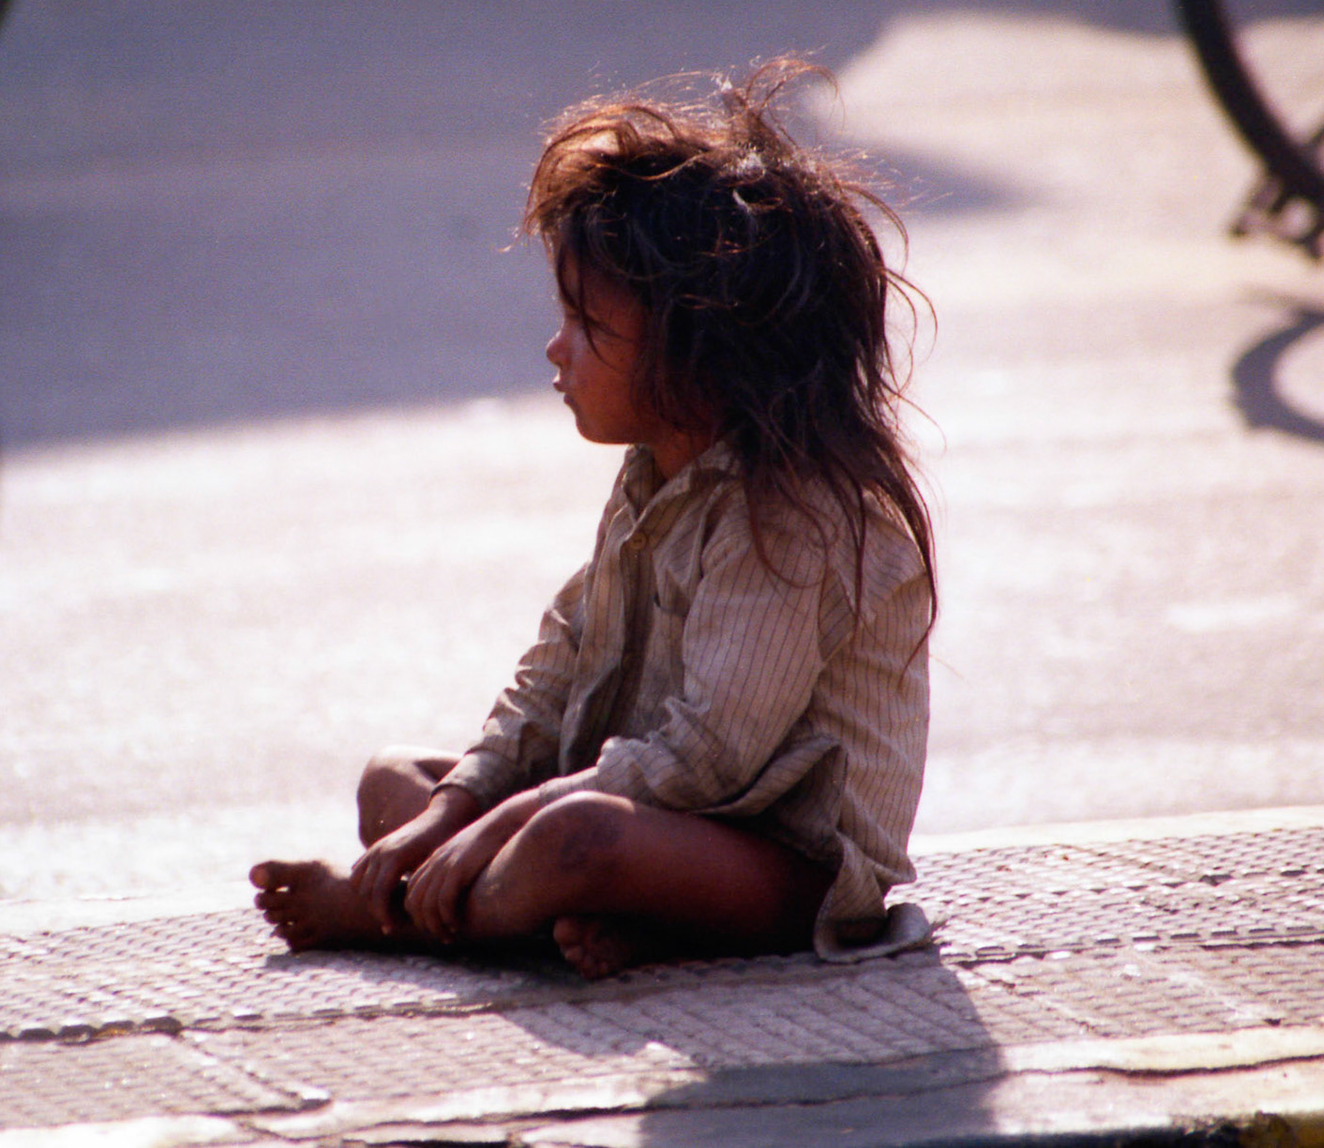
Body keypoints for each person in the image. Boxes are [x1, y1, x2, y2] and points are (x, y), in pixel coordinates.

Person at [251, 60, 936, 979]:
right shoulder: (655, 470)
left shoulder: (797, 514)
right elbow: (564, 659)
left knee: (575, 838)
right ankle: (600, 926)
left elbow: (710, 759)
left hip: (783, 869)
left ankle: (396, 921)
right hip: (646, 815)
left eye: (587, 324)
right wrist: (462, 803)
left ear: (700, 351)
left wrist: (509, 820)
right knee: (396, 780)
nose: (554, 347)